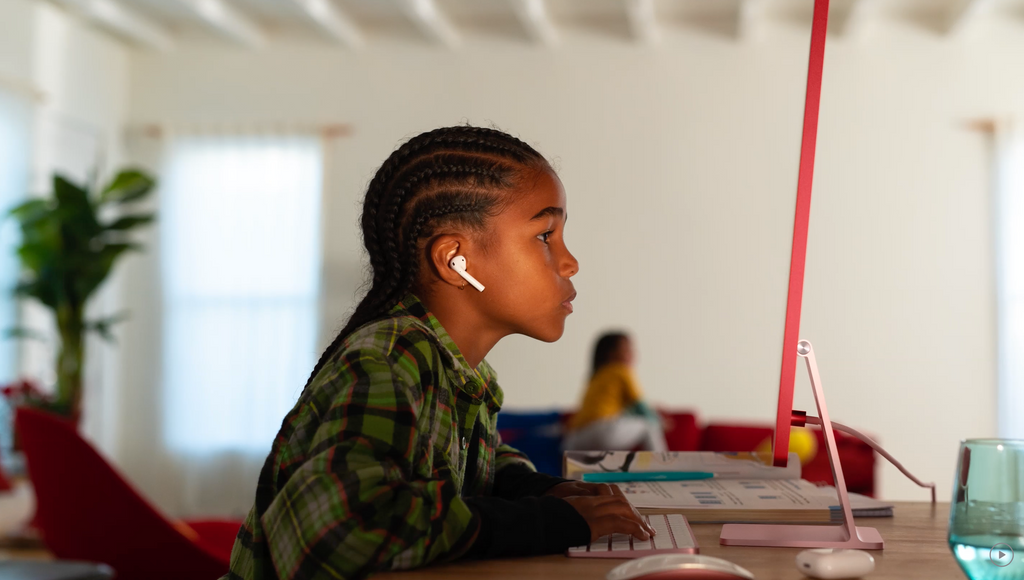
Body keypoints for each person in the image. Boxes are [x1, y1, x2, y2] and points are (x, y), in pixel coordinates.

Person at [224, 126, 655, 580]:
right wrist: (550, 522)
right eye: (545, 235)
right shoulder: (388, 359)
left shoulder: (463, 371)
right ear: (455, 260)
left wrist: (546, 491)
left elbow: (473, 467)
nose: (570, 262)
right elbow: (346, 527)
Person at [563, 332, 668, 452]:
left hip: (575, 438)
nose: (632, 353)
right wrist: (660, 422)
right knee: (649, 426)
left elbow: (623, 411)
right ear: (611, 353)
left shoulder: (597, 375)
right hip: (603, 432)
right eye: (626, 349)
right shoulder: (621, 371)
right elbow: (640, 407)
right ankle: (663, 464)